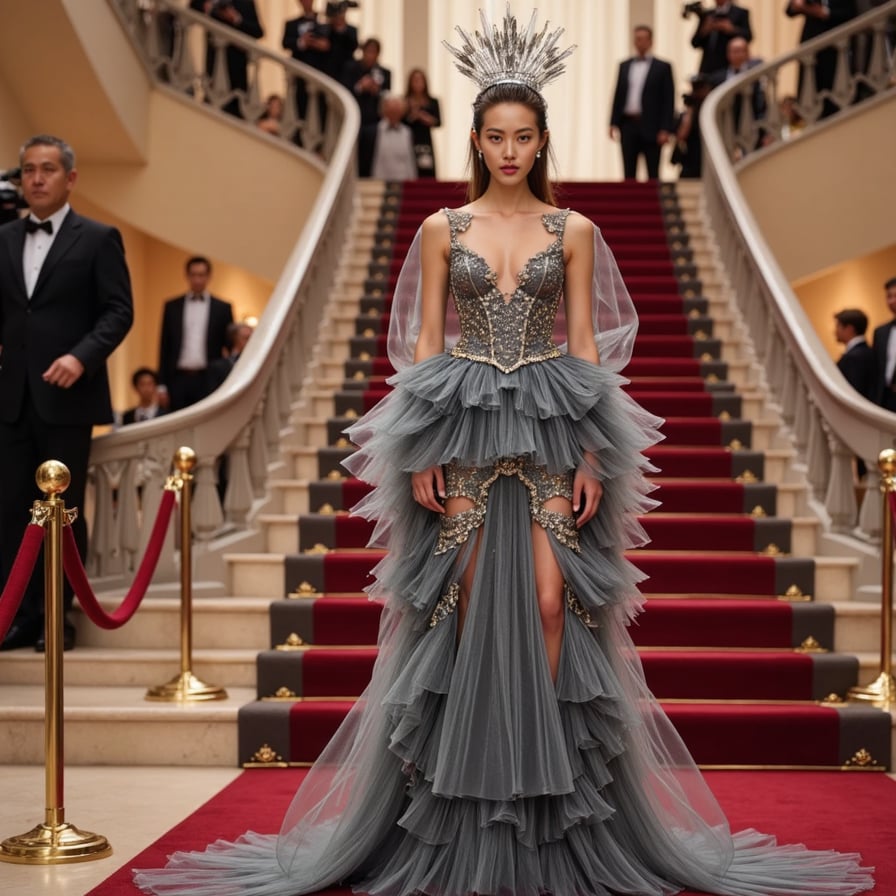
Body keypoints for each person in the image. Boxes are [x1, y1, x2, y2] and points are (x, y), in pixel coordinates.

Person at [133, 9, 874, 896]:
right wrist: (416, 446)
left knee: (555, 604)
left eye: (524, 136)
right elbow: (422, 345)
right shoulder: (442, 228)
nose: (510, 150)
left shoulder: (575, 229)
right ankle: (473, 794)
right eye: (496, 137)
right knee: (471, 605)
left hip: (555, 421)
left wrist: (597, 454)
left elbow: (590, 347)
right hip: (464, 424)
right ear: (477, 142)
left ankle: (546, 784)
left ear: (542, 140)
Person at [0, 134, 133, 652]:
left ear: (70, 178)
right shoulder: (4, 238)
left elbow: (119, 311)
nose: (36, 178)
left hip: (69, 400)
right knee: (11, 511)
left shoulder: (98, 238)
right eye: (29, 170)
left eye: (48, 169)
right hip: (10, 401)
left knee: (63, 512)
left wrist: (81, 356)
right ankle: (17, 616)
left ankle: (57, 617)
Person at [158, 256, 234, 411]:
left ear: (208, 276)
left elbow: (230, 347)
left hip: (209, 377)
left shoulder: (222, 308)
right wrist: (161, 385)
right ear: (187, 276)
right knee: (177, 421)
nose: (197, 280)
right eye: (193, 275)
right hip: (177, 379)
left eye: (201, 275)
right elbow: (164, 346)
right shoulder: (172, 306)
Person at [609, 24, 675, 180]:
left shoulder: (663, 67)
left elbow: (668, 100)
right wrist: (613, 122)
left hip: (652, 126)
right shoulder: (624, 66)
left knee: (653, 172)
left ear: (651, 41)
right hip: (628, 125)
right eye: (637, 39)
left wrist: (665, 128)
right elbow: (618, 95)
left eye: (644, 39)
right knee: (628, 172)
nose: (640, 42)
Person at [190, 0, 264, 119]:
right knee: (211, 102)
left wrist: (236, 18)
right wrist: (207, 7)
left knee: (236, 105)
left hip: (237, 62)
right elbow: (193, 6)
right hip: (214, 59)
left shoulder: (246, 3)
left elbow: (258, 31)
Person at [785, 0, 858, 118]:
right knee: (810, 89)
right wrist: (798, 5)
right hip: (810, 46)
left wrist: (824, 12)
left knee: (831, 91)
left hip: (834, 47)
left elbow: (850, 13)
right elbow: (789, 11)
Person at [834, 308, 876, 480]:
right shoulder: (867, 352)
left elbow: (853, 392)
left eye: (838, 326)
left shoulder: (855, 357)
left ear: (849, 329)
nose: (835, 331)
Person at [342, 37, 391, 177]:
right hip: (354, 117)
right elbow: (344, 91)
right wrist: (360, 87)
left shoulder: (384, 72)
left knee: (372, 152)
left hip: (374, 120)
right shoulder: (351, 68)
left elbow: (387, 95)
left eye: (374, 52)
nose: (370, 55)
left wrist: (376, 91)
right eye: (368, 51)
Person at [281, 0, 330, 141]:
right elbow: (285, 43)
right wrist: (302, 42)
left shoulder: (324, 24)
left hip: (320, 74)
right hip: (299, 75)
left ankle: (319, 140)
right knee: (299, 106)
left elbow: (331, 47)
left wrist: (318, 44)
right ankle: (299, 137)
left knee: (320, 109)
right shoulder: (291, 24)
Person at [690, 1, 754, 75]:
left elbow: (748, 37)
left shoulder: (740, 13)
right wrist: (705, 30)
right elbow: (694, 43)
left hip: (729, 67)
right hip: (708, 68)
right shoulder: (707, 14)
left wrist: (732, 29)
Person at [672, 73, 713, 178]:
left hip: (708, 156)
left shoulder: (714, 111)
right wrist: (690, 109)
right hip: (691, 156)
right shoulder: (689, 110)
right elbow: (682, 135)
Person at [403, 67, 442, 178]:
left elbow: (438, 122)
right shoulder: (405, 101)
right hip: (410, 138)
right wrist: (413, 115)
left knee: (427, 168)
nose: (418, 83)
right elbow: (402, 122)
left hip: (425, 139)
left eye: (420, 80)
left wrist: (425, 118)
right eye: (415, 80)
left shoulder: (433, 101)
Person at [370, 95, 418, 181]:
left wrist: (413, 181)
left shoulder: (407, 132)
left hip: (402, 180)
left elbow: (410, 160)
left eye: (397, 111)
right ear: (384, 111)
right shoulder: (373, 132)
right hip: (377, 182)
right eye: (391, 110)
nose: (394, 114)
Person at [871, 275, 896, 411]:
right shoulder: (880, 332)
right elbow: (876, 369)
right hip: (885, 399)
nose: (892, 301)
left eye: (895, 296)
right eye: (889, 296)